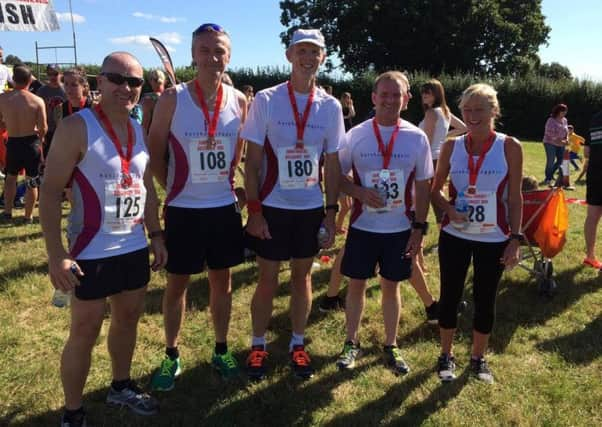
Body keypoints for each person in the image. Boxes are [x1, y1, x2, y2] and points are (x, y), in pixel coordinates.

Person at [39, 51, 167, 427]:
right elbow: (48, 193)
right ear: (100, 82)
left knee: (128, 319)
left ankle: (121, 386)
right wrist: (56, 254)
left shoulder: (138, 127)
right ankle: (73, 411)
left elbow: (146, 188)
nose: (125, 88)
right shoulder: (77, 127)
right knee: (84, 330)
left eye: (134, 82)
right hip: (90, 250)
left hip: (132, 245)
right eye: (117, 79)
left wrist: (156, 234)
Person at [147, 23, 247, 388]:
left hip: (222, 208)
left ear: (229, 56)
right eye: (204, 50)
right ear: (193, 55)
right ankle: (171, 354)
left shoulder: (239, 100)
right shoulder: (172, 98)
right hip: (183, 210)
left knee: (224, 281)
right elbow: (155, 154)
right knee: (177, 284)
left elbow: (239, 153)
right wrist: (173, 187)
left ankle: (221, 349)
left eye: (219, 50)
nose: (212, 57)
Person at [242, 28, 343, 380]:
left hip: (310, 208)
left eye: (315, 52)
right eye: (302, 50)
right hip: (272, 206)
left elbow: (333, 164)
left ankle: (297, 344)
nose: (308, 57)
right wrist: (254, 212)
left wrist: (332, 213)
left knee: (302, 279)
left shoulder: (330, 107)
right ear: (289, 55)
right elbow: (251, 164)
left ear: (323, 59)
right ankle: (258, 345)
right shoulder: (267, 100)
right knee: (267, 280)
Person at [334, 71, 433, 373]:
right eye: (384, 94)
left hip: (399, 229)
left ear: (406, 99)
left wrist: (419, 227)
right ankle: (351, 342)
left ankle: (391, 344)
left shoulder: (417, 137)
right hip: (363, 228)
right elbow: (335, 176)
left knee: (392, 287)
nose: (389, 100)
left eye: (396, 94)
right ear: (374, 98)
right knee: (356, 286)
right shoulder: (356, 135)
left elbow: (425, 185)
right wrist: (358, 190)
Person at [431, 83, 522, 384]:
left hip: (493, 237)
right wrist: (448, 208)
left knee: (485, 298)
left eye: (479, 110)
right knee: (450, 295)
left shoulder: (510, 146)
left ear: (494, 111)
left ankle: (478, 357)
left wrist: (515, 238)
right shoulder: (451, 145)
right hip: (455, 233)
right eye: (466, 110)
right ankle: (446, 354)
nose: (471, 116)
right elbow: (435, 191)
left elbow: (516, 196)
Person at [0, 65, 47, 223]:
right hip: (30, 142)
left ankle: (7, 212)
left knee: (10, 178)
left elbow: (1, 123)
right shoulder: (37, 101)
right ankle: (28, 216)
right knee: (31, 180)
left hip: (13, 141)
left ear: (13, 79)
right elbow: (43, 128)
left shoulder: (3, 99)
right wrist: (40, 140)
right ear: (29, 80)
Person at [419, 79, 467, 224]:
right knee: (436, 195)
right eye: (423, 93)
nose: (424, 96)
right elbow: (463, 127)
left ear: (437, 94)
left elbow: (425, 141)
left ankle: (446, 224)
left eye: (428, 93)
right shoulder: (445, 111)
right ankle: (446, 224)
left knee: (432, 196)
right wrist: (443, 136)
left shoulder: (432, 113)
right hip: (441, 158)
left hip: (430, 158)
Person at [583, 110, 602, 271]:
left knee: (592, 216)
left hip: (595, 172)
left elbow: (586, 152)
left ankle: (590, 256)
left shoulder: (595, 118)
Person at [37, 64, 66, 157]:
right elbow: (37, 112)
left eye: (55, 74)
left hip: (64, 130)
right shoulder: (42, 91)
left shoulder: (67, 89)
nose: (53, 77)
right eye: (50, 74)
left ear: (61, 74)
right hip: (48, 130)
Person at [542, 103, 568, 186]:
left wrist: (566, 139)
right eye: (563, 112)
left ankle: (551, 174)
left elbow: (566, 131)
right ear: (558, 111)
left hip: (561, 144)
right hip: (550, 143)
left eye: (565, 112)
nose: (564, 113)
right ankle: (548, 178)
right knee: (551, 160)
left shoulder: (565, 120)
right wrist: (559, 141)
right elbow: (549, 133)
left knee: (561, 160)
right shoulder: (551, 120)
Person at [141, 69, 165, 135]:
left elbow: (145, 125)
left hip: (154, 137)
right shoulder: (171, 97)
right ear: (164, 81)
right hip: (171, 137)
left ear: (151, 81)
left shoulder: (149, 99)